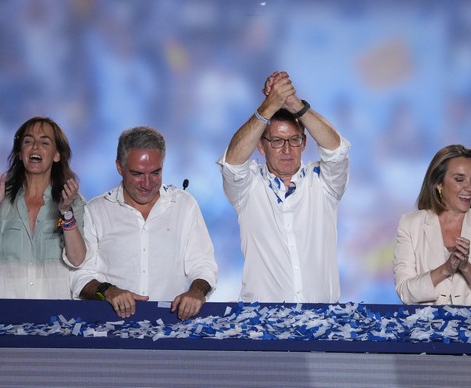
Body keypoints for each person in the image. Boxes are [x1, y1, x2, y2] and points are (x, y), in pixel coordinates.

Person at [218, 71, 351, 303]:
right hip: (261, 325)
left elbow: (336, 149)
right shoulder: (248, 187)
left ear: (304, 142)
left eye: (294, 140)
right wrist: (267, 107)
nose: (287, 150)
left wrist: (293, 103)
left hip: (323, 323)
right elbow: (232, 162)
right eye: (277, 141)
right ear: (261, 147)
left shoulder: (323, 182)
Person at [70, 126, 218, 320]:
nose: (147, 184)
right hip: (111, 331)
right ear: (119, 168)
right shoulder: (96, 210)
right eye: (137, 174)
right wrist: (107, 291)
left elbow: (204, 265)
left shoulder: (184, 205)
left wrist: (197, 292)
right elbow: (80, 277)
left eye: (155, 173)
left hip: (172, 329)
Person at [0, 116, 86, 299]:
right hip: (1, 317)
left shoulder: (73, 202)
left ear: (57, 155)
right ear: (19, 153)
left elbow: (77, 259)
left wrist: (65, 212)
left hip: (54, 318)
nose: (35, 147)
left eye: (44, 142)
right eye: (28, 141)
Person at [393, 145, 471, 306]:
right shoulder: (410, 224)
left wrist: (466, 268)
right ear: (439, 183)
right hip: (424, 329)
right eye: (459, 179)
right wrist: (446, 269)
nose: (469, 187)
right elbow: (405, 292)